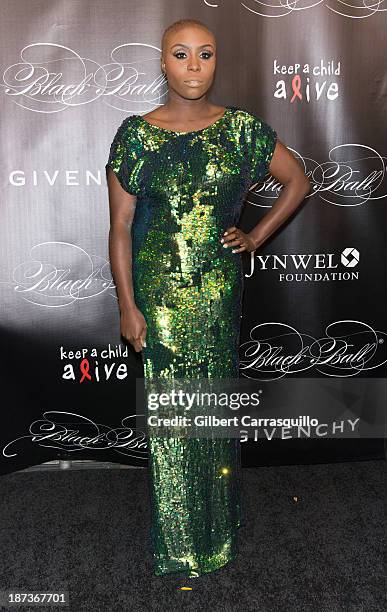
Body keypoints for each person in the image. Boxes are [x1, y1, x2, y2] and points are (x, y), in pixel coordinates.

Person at [105, 18, 310, 578]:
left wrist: (256, 235)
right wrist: (127, 304)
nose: (194, 66)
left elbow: (298, 181)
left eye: (205, 54)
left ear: (216, 62)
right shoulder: (134, 135)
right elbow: (120, 227)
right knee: (172, 420)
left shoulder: (242, 130)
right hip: (158, 299)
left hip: (217, 294)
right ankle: (178, 544)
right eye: (180, 54)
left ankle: (215, 531)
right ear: (163, 63)